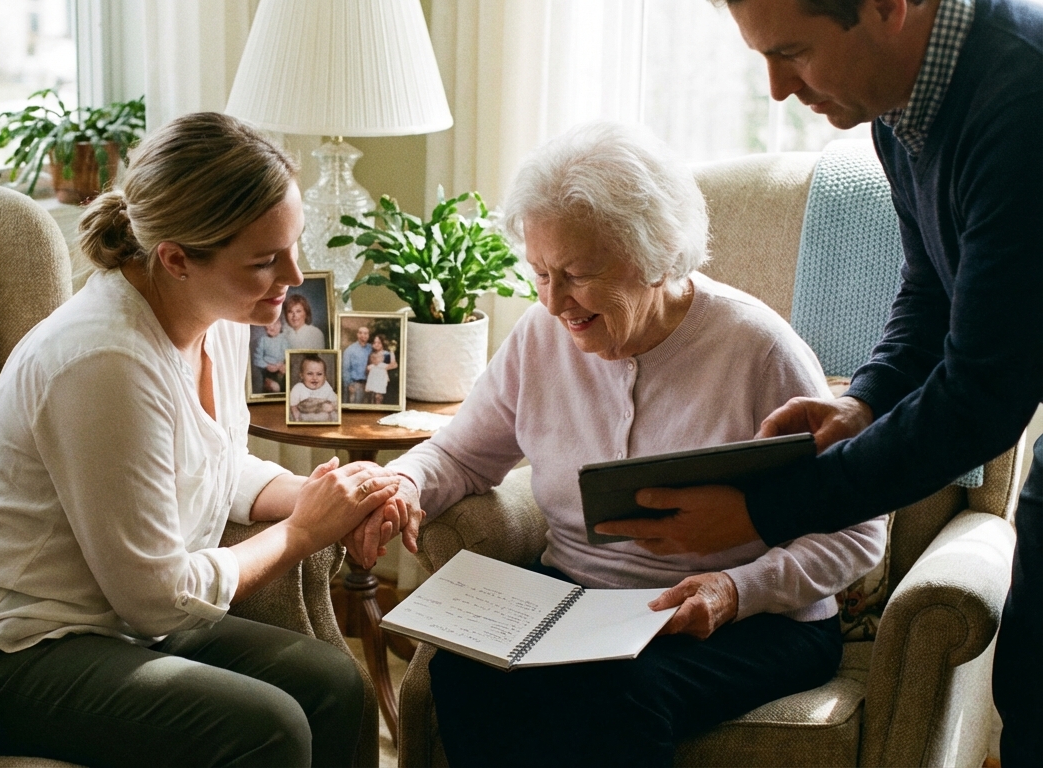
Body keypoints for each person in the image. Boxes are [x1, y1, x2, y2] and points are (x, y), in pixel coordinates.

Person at [590, 2, 1043, 761]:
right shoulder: (900, 110)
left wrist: (762, 512)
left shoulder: (1021, 103)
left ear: (889, 8)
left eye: (793, 52)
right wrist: (859, 405)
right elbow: (930, 298)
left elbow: (981, 399)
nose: (774, 88)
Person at [0, 112, 408, 768]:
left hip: (115, 627)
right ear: (174, 258)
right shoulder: (104, 359)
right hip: (3, 648)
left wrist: (335, 496)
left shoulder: (221, 316)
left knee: (336, 685)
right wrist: (303, 532)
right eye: (265, 260)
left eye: (293, 245)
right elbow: (155, 598)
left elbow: (217, 467)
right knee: (268, 727)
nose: (293, 274)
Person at [383, 121, 887, 767]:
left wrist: (734, 590)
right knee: (464, 673)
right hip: (579, 600)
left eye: (579, 274)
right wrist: (401, 481)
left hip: (753, 620)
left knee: (614, 696)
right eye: (539, 273)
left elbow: (857, 531)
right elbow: (458, 455)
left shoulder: (759, 349)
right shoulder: (541, 337)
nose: (555, 301)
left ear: (655, 255)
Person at [289, 354, 339, 423]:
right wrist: (297, 419)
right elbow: (293, 406)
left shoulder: (326, 387)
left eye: (319, 374)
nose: (315, 378)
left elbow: (335, 404)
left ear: (325, 377)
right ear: (301, 376)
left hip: (324, 421)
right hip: (305, 420)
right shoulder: (298, 388)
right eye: (310, 374)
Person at [252, 316, 290, 393]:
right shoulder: (262, 340)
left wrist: (285, 364)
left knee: (285, 387)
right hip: (268, 371)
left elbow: (289, 354)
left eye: (276, 323)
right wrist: (267, 365)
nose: (272, 326)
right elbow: (256, 359)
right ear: (264, 325)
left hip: (281, 369)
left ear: (280, 325)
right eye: (269, 324)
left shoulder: (284, 340)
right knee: (274, 387)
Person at [342, 325, 372, 404]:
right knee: (356, 409)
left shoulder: (371, 348)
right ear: (357, 335)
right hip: (355, 384)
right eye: (361, 333)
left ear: (368, 335)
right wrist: (349, 385)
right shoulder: (350, 350)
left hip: (370, 385)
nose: (363, 335)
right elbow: (345, 369)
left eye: (366, 333)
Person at [365, 335, 397, 405]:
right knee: (371, 397)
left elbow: (394, 365)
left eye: (379, 343)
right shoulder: (371, 354)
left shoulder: (387, 354)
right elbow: (368, 368)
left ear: (383, 343)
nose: (376, 344)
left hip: (383, 380)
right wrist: (369, 368)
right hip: (373, 380)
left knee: (379, 397)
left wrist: (383, 367)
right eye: (374, 343)